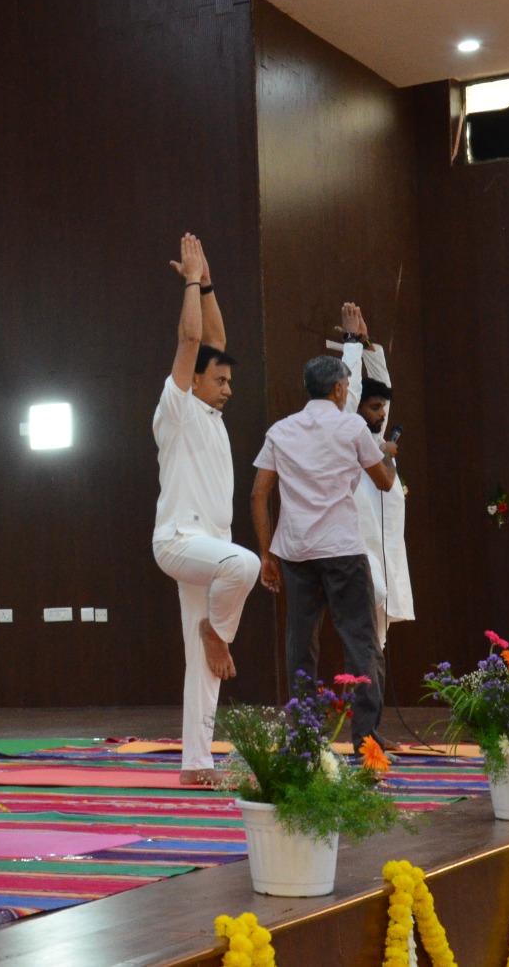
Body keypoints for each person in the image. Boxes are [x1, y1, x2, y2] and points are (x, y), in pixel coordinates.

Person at [151, 234, 260, 786]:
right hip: (178, 541)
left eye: (230, 381)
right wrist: (191, 280)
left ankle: (196, 764)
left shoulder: (212, 417)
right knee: (246, 565)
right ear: (192, 379)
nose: (227, 388)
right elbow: (193, 336)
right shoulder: (176, 407)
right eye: (218, 379)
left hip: (204, 549)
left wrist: (210, 282)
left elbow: (214, 337)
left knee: (202, 668)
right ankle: (218, 632)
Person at [250, 352, 398, 751]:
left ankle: (304, 737)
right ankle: (366, 739)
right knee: (361, 642)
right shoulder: (351, 426)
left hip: (296, 552)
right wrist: (389, 454)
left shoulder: (280, 430)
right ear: (337, 388)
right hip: (343, 550)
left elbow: (258, 494)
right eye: (347, 386)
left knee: (301, 644)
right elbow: (383, 482)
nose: (346, 392)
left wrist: (266, 555)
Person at [332, 305, 413, 652]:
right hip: (358, 545)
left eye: (383, 408)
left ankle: (369, 696)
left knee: (380, 634)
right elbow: (350, 400)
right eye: (374, 407)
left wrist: (366, 343)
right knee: (374, 598)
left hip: (388, 546)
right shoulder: (348, 435)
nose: (381, 414)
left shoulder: (380, 440)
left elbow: (384, 384)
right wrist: (350, 344)